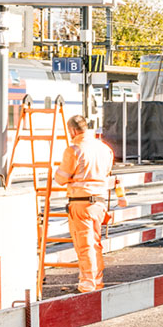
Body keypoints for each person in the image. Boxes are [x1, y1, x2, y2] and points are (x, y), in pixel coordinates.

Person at [54, 115, 115, 293]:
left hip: (81, 203)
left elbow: (60, 179)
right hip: (100, 203)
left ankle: (87, 284)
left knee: (85, 244)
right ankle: (97, 280)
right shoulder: (105, 149)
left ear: (72, 130)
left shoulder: (74, 150)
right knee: (95, 243)